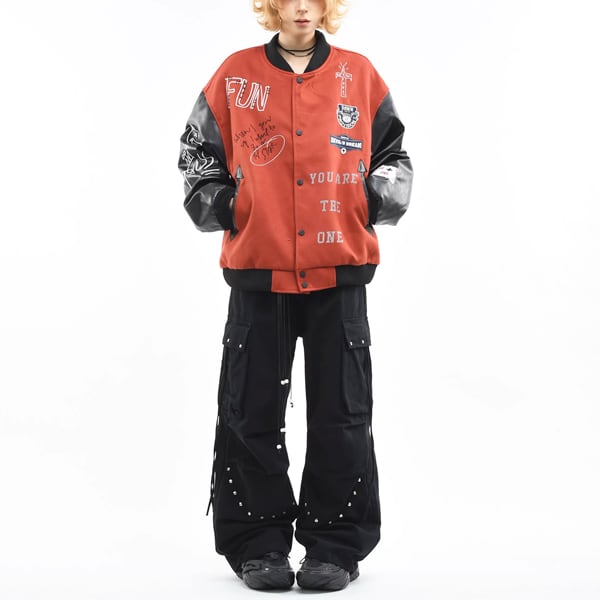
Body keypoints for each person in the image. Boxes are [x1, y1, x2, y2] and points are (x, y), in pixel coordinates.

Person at [178, 0, 413, 591]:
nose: (303, 6)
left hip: (339, 270)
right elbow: (195, 157)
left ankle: (335, 546)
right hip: (260, 273)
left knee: (342, 412)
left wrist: (367, 202)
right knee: (250, 408)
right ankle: (259, 544)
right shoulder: (235, 75)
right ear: (271, 6)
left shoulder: (359, 75)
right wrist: (236, 207)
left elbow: (395, 157)